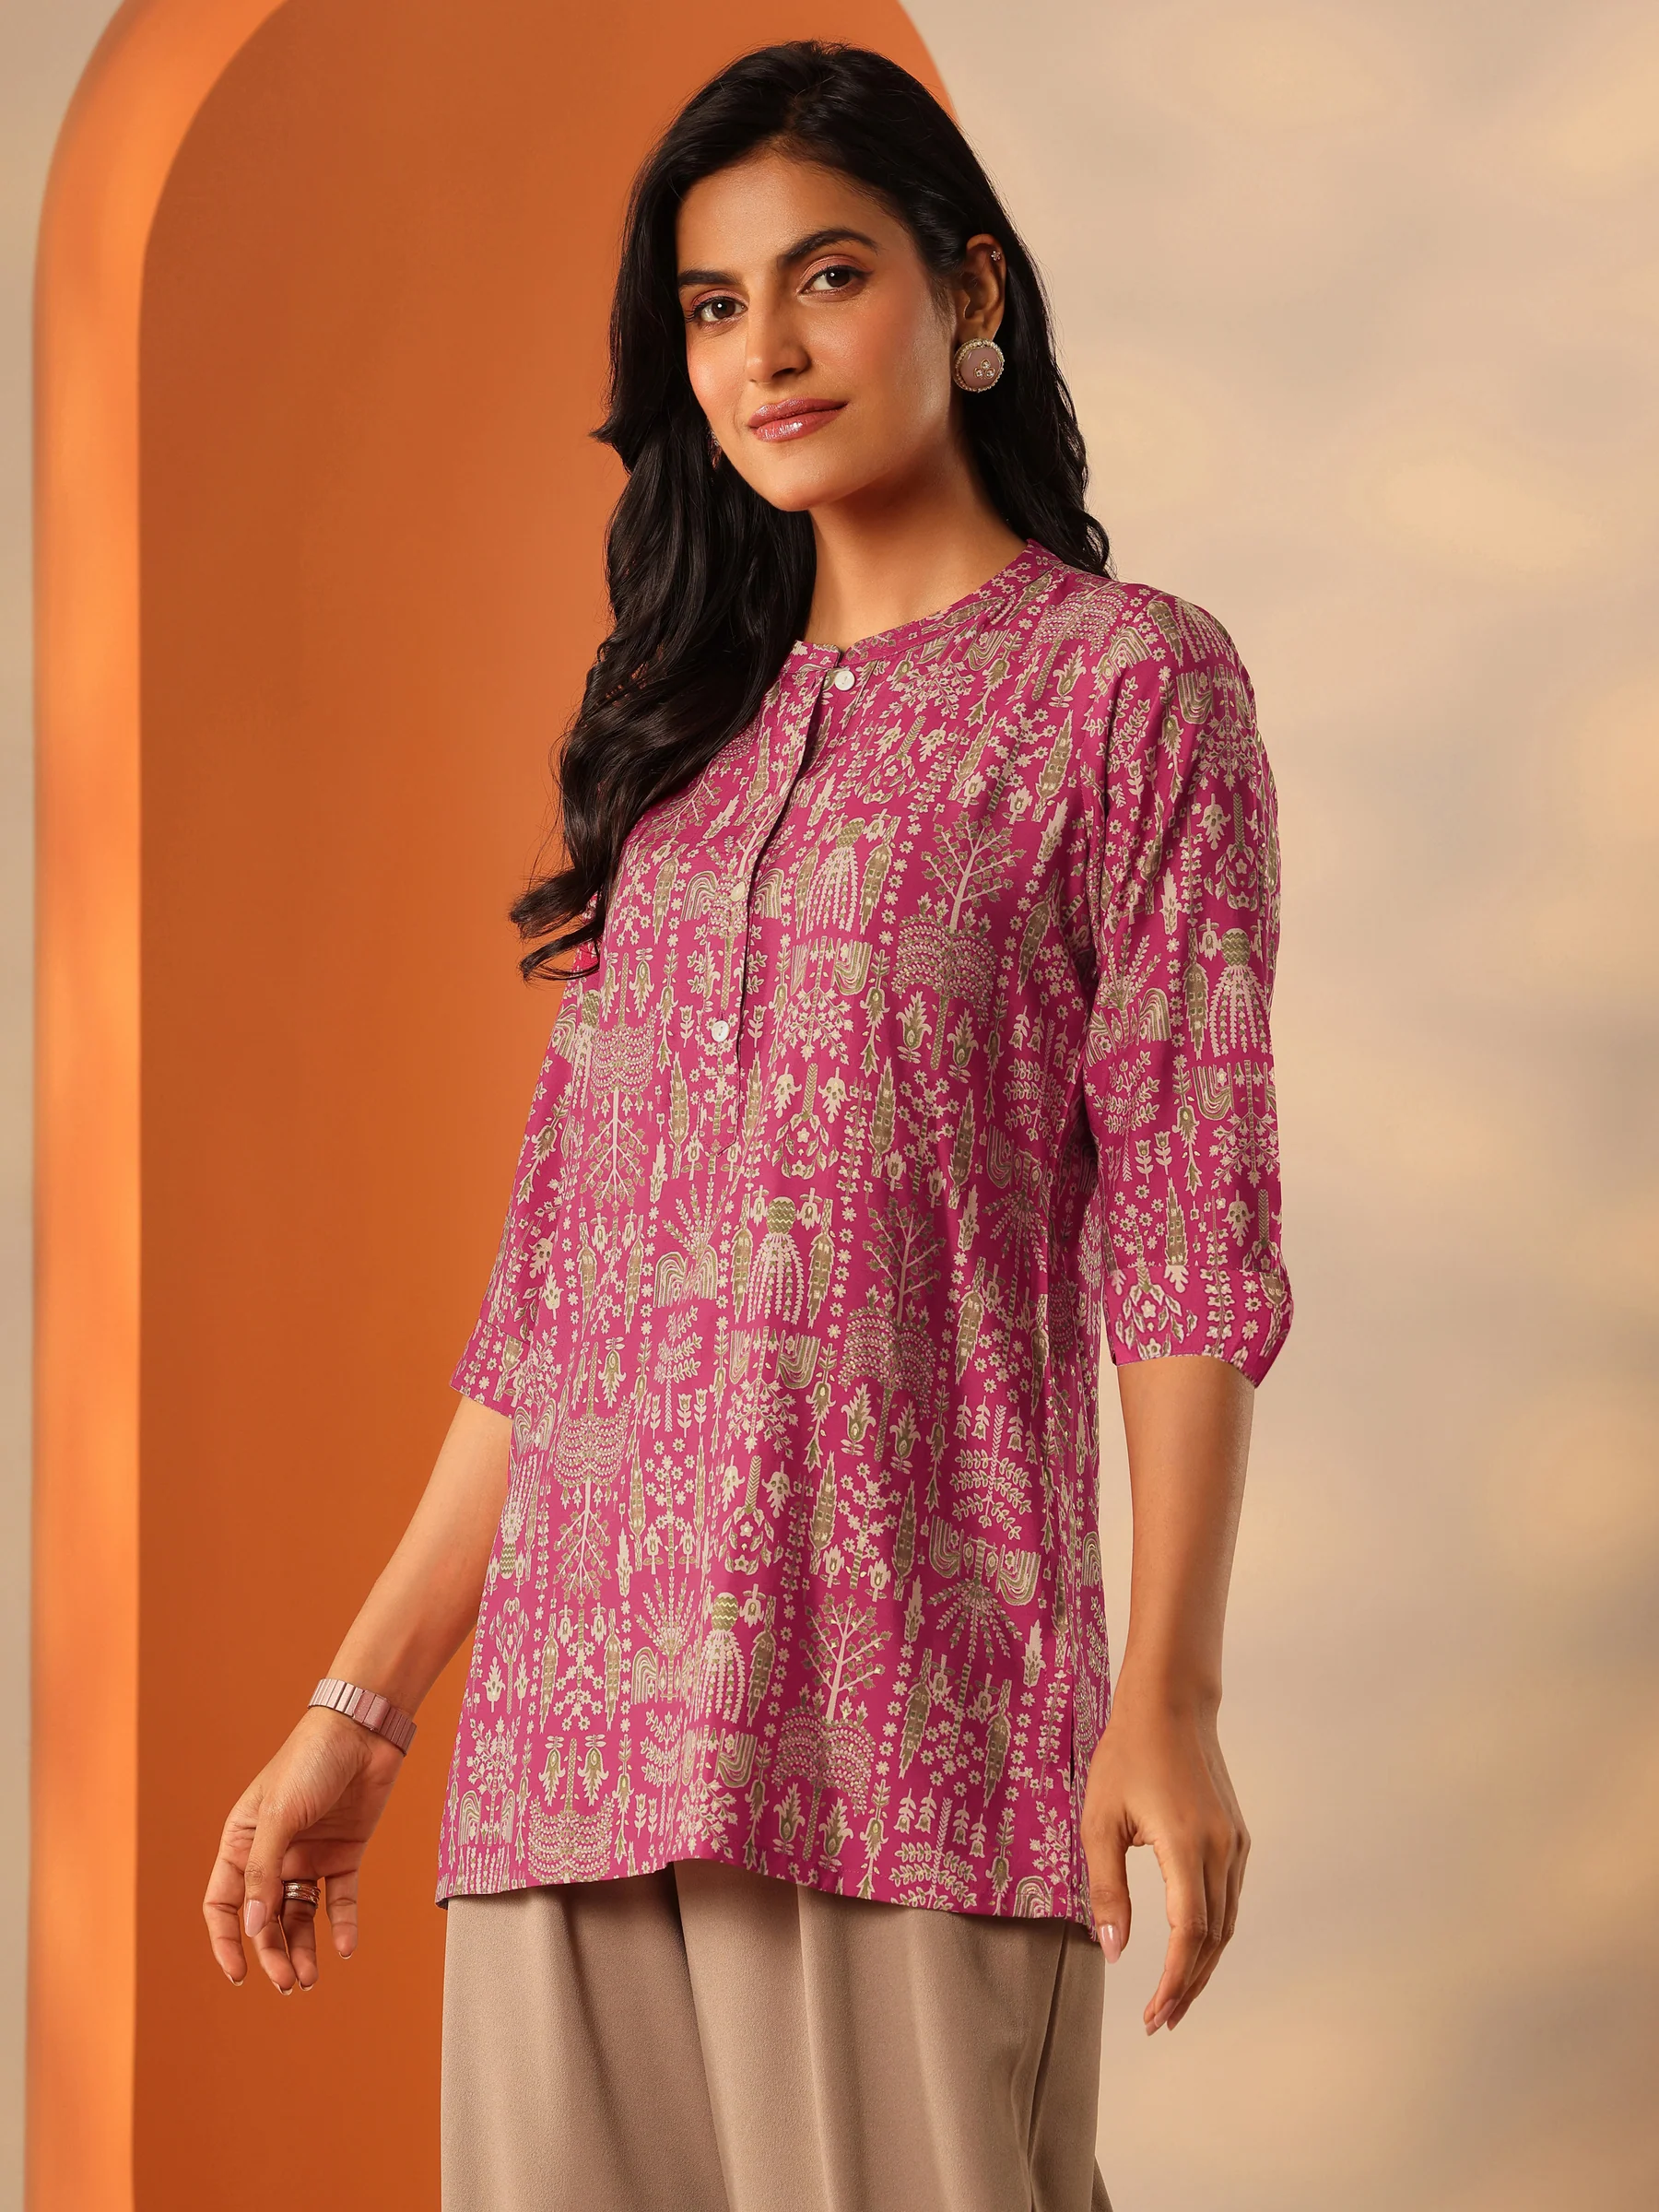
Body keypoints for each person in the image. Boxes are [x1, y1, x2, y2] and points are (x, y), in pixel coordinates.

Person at [203, 39, 1292, 2212]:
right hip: (566, 1763)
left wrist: (1165, 1691)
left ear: (967, 293)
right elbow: (560, 1301)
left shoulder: (1125, 692)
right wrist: (365, 1703)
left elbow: (1190, 1221)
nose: (766, 351)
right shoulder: (678, 759)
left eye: (827, 277)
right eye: (714, 306)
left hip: (911, 1732)